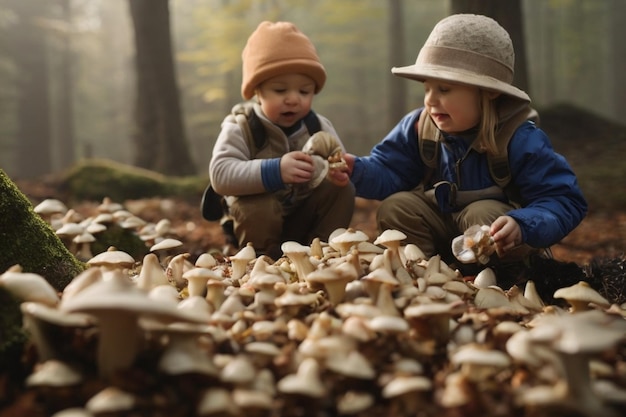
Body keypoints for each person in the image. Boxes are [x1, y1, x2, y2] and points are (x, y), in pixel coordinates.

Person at [330, 14, 588, 275]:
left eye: (444, 89)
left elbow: (563, 200)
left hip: (498, 243)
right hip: (441, 229)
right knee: (396, 206)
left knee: (483, 213)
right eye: (427, 88)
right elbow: (391, 172)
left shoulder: (519, 139)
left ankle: (502, 282)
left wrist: (522, 224)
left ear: (488, 91)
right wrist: (357, 170)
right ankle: (422, 274)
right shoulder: (420, 127)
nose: (430, 101)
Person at [209, 21, 355, 259]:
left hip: (302, 217)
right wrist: (275, 170)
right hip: (257, 225)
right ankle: (262, 258)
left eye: (304, 92)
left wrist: (336, 171)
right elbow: (220, 174)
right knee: (257, 205)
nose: (293, 100)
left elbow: (340, 162)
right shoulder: (242, 126)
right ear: (257, 91)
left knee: (343, 189)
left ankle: (324, 252)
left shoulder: (318, 126)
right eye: (280, 90)